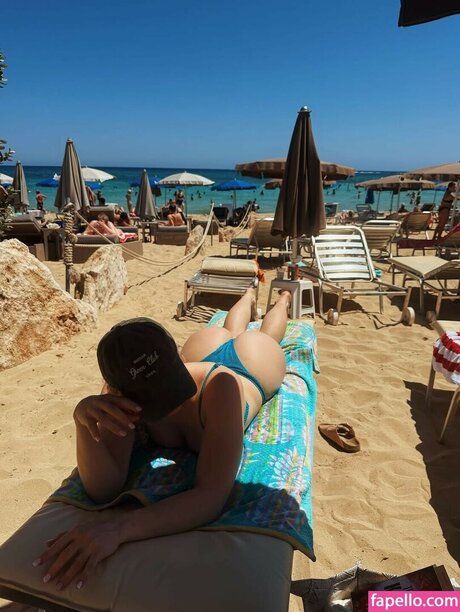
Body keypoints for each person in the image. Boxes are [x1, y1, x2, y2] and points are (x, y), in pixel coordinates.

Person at [32, 289, 291, 590]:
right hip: (202, 355)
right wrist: (82, 423)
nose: (170, 403)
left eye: (170, 382)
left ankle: (275, 299)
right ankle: (248, 299)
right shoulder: (120, 400)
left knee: (263, 337)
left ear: (178, 358)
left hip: (252, 367)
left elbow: (211, 496)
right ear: (117, 391)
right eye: (154, 396)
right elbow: (103, 490)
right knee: (230, 331)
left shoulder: (222, 387)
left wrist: (119, 528)